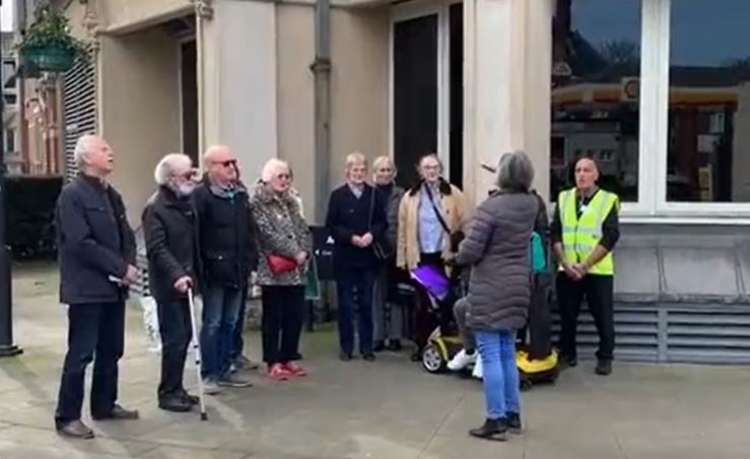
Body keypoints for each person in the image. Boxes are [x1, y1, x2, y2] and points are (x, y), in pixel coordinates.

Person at [54, 135, 139, 439]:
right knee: (81, 353)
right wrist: (119, 267)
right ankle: (67, 417)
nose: (111, 152)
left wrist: (128, 265)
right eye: (104, 149)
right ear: (87, 158)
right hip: (86, 290)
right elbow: (80, 243)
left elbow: (126, 234)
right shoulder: (72, 196)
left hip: (113, 289)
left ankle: (104, 405)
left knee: (111, 350)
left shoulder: (111, 194)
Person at [455, 151, 539, 441]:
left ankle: (496, 418)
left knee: (490, 353)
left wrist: (456, 255)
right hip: (517, 285)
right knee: (507, 352)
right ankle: (513, 414)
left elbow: (472, 250)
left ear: (503, 176)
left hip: (491, 286)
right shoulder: (531, 204)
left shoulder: (491, 207)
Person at [193, 145, 258, 394]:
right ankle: (210, 373)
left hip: (237, 269)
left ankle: (226, 367)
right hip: (214, 271)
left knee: (231, 322)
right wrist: (201, 269)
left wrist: (250, 263)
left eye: (234, 162)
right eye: (226, 163)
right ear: (211, 167)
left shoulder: (239, 194)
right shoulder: (201, 196)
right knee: (213, 322)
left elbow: (249, 232)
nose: (232, 167)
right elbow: (196, 236)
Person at [142, 153, 202, 413]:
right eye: (188, 175)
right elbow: (157, 248)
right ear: (171, 179)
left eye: (193, 173)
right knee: (175, 339)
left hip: (189, 279)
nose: (193, 179)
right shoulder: (156, 208)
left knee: (186, 335)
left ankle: (177, 387)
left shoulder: (186, 202)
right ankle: (167, 392)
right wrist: (177, 274)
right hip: (169, 285)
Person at [552, 156, 620, 376]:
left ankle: (605, 357)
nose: (581, 174)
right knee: (567, 315)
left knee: (602, 316)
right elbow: (556, 233)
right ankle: (567, 353)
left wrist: (585, 265)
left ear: (596, 175)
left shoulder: (607, 200)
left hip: (597, 270)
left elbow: (610, 237)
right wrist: (564, 261)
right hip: (568, 268)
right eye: (578, 170)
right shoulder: (564, 198)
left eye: (587, 170)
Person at [396, 154, 467, 361]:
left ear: (441, 169)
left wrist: (463, 250)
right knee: (423, 304)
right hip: (420, 258)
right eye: (427, 167)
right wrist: (403, 260)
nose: (431, 171)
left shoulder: (453, 194)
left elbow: (466, 222)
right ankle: (421, 344)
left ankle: (444, 342)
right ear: (420, 170)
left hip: (444, 258)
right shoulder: (410, 197)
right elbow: (403, 231)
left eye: (435, 167)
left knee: (446, 300)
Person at [251, 158, 313, 380]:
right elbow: (267, 234)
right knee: (273, 317)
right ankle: (273, 361)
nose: (285, 180)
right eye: (280, 176)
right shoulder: (259, 203)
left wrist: (305, 251)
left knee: (294, 316)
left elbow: (303, 229)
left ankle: (289, 357)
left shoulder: (291, 201)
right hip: (273, 271)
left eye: (288, 176)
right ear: (268, 178)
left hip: (296, 270)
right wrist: (294, 252)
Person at [325, 152, 387, 361]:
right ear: (347, 172)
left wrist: (372, 234)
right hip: (345, 256)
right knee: (346, 304)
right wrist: (350, 237)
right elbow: (331, 225)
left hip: (368, 257)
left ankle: (367, 347)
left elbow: (382, 221)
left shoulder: (374, 195)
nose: (359, 174)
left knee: (366, 302)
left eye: (362, 170)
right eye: (355, 170)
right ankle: (346, 347)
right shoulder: (337, 196)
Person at [371, 156, 406, 352]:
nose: (385, 174)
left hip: (396, 249)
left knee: (396, 293)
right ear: (374, 173)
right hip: (375, 249)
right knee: (376, 292)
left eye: (388, 170)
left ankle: (395, 335)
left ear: (394, 173)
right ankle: (378, 336)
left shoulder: (402, 195)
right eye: (381, 170)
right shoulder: (369, 194)